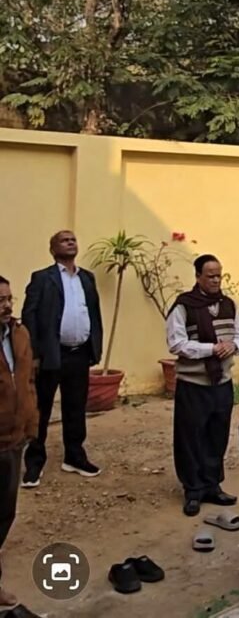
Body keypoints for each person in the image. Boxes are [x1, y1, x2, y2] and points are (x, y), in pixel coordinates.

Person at [21, 229, 103, 487]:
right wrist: (33, 355)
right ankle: (34, 462)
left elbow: (94, 313)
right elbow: (29, 317)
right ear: (53, 248)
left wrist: (94, 347)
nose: (70, 242)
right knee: (41, 409)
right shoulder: (42, 278)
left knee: (76, 408)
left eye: (73, 239)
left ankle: (75, 457)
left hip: (79, 355)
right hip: (50, 356)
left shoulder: (87, 278)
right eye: (64, 240)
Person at [167, 254, 239, 517]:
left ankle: (212, 485)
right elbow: (176, 343)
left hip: (222, 382)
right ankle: (193, 489)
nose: (215, 280)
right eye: (210, 275)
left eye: (219, 275)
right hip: (193, 384)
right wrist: (211, 349)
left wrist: (232, 345)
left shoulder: (229, 305)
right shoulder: (183, 306)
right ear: (198, 276)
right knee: (191, 438)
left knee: (217, 435)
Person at [0, 277, 39, 612]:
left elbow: (27, 380)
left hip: (14, 439)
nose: (7, 305)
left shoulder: (20, 333)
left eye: (9, 298)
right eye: (0, 299)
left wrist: (31, 423)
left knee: (4, 513)